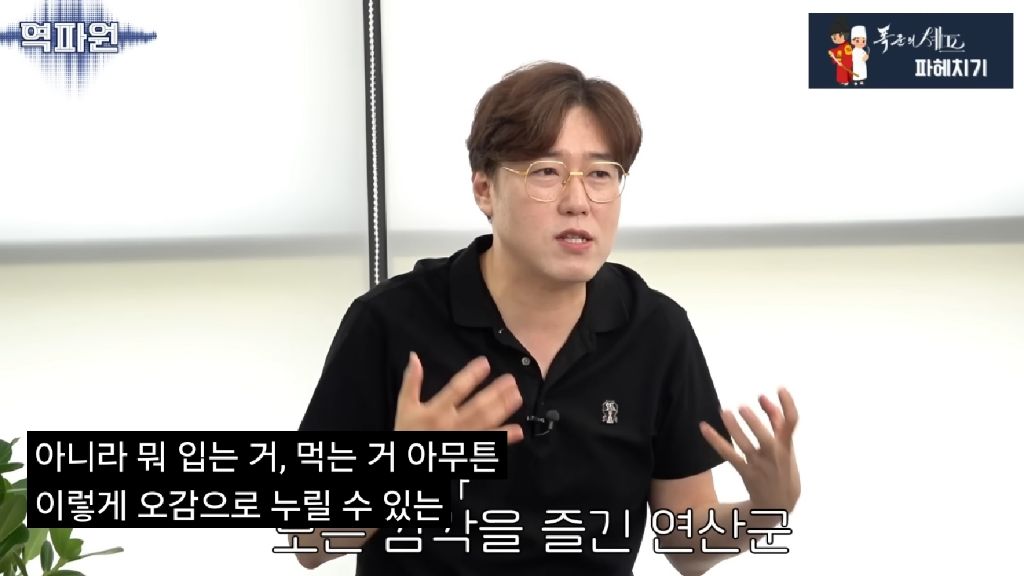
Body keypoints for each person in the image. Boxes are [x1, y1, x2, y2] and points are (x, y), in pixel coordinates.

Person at [292, 61, 802, 575]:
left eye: (600, 174)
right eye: (546, 172)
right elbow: (308, 541)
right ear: (484, 189)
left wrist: (767, 510)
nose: (577, 202)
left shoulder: (655, 331)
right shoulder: (390, 322)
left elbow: (687, 543)